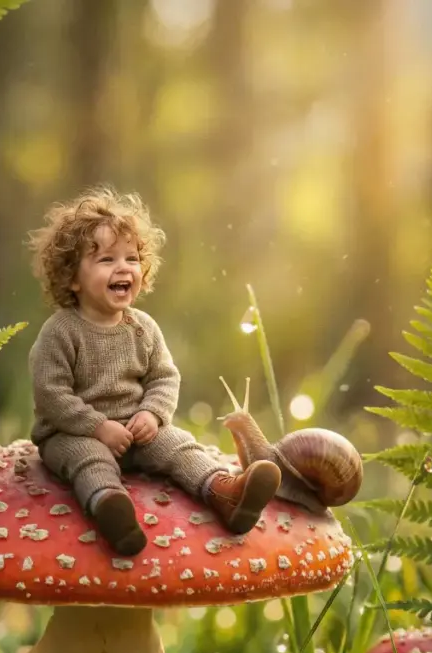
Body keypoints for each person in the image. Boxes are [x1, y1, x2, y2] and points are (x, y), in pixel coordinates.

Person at [26, 185, 281, 556]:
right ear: (72, 278)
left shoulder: (142, 327)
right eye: (106, 259)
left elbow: (164, 377)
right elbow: (51, 394)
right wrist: (97, 426)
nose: (123, 268)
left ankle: (225, 493)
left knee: (176, 444)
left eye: (131, 258)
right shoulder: (61, 331)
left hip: (136, 431)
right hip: (72, 434)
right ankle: (110, 508)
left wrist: (151, 413)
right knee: (89, 459)